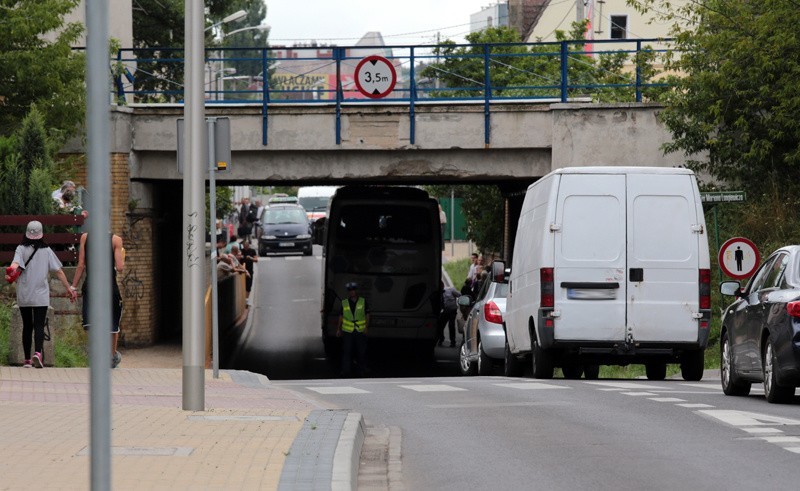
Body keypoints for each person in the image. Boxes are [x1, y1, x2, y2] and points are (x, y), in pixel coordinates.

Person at [6, 221, 77, 368]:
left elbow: (14, 265)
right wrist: (69, 288)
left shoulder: (20, 248)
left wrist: (10, 271)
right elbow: (58, 271)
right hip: (41, 294)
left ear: (26, 233)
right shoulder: (47, 251)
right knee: (39, 325)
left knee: (27, 325)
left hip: (25, 293)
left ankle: (26, 360)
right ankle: (37, 353)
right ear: (41, 234)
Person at [71, 232, 125, 368]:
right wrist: (122, 256)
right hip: (109, 287)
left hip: (91, 286)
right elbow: (120, 268)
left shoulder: (85, 237)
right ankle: (111, 357)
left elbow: (81, 264)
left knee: (91, 323)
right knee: (113, 325)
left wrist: (73, 286)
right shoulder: (116, 240)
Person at [336, 282, 369, 377]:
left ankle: (361, 370)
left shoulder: (363, 301)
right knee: (347, 351)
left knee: (361, 351)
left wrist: (367, 327)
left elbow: (367, 315)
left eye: (353, 290)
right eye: (350, 291)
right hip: (347, 331)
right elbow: (341, 316)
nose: (352, 292)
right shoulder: (344, 302)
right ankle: (345, 370)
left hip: (360, 330)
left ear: (356, 291)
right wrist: (338, 329)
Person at [438, 281, 461, 347]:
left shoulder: (450, 290)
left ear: (443, 286)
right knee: (440, 325)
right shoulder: (438, 293)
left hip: (452, 311)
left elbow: (459, 295)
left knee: (451, 326)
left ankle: (453, 342)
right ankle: (441, 339)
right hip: (444, 311)